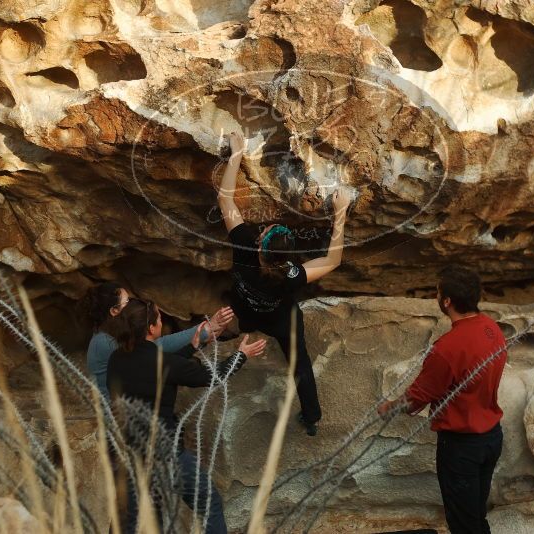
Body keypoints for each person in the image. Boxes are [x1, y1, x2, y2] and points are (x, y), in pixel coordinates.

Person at [216, 131, 351, 436]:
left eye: (265, 231)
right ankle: (311, 418)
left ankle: (238, 331)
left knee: (241, 310)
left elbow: (225, 200)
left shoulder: (245, 249)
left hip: (247, 308)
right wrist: (340, 215)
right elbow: (332, 261)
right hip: (280, 318)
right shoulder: (292, 274)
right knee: (299, 362)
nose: (264, 228)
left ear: (260, 244)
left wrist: (236, 155)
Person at [107, 297, 266, 534]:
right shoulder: (163, 363)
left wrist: (193, 346)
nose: (162, 322)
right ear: (151, 328)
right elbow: (212, 376)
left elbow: (160, 368)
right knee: (209, 504)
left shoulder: (117, 359)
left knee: (129, 521)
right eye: (160, 319)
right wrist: (241, 355)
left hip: (125, 455)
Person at [378, 266, 507, 534]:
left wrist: (388, 407)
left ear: (447, 301)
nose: (436, 296)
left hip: (462, 447)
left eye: (438, 292)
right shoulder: (492, 329)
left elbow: (416, 399)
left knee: (463, 524)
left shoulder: (447, 348)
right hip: (492, 437)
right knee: (476, 515)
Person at [81, 282, 235, 399]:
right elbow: (156, 348)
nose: (133, 304)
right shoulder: (104, 342)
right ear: (114, 311)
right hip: (119, 418)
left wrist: (199, 340)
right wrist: (205, 330)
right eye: (127, 302)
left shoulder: (114, 332)